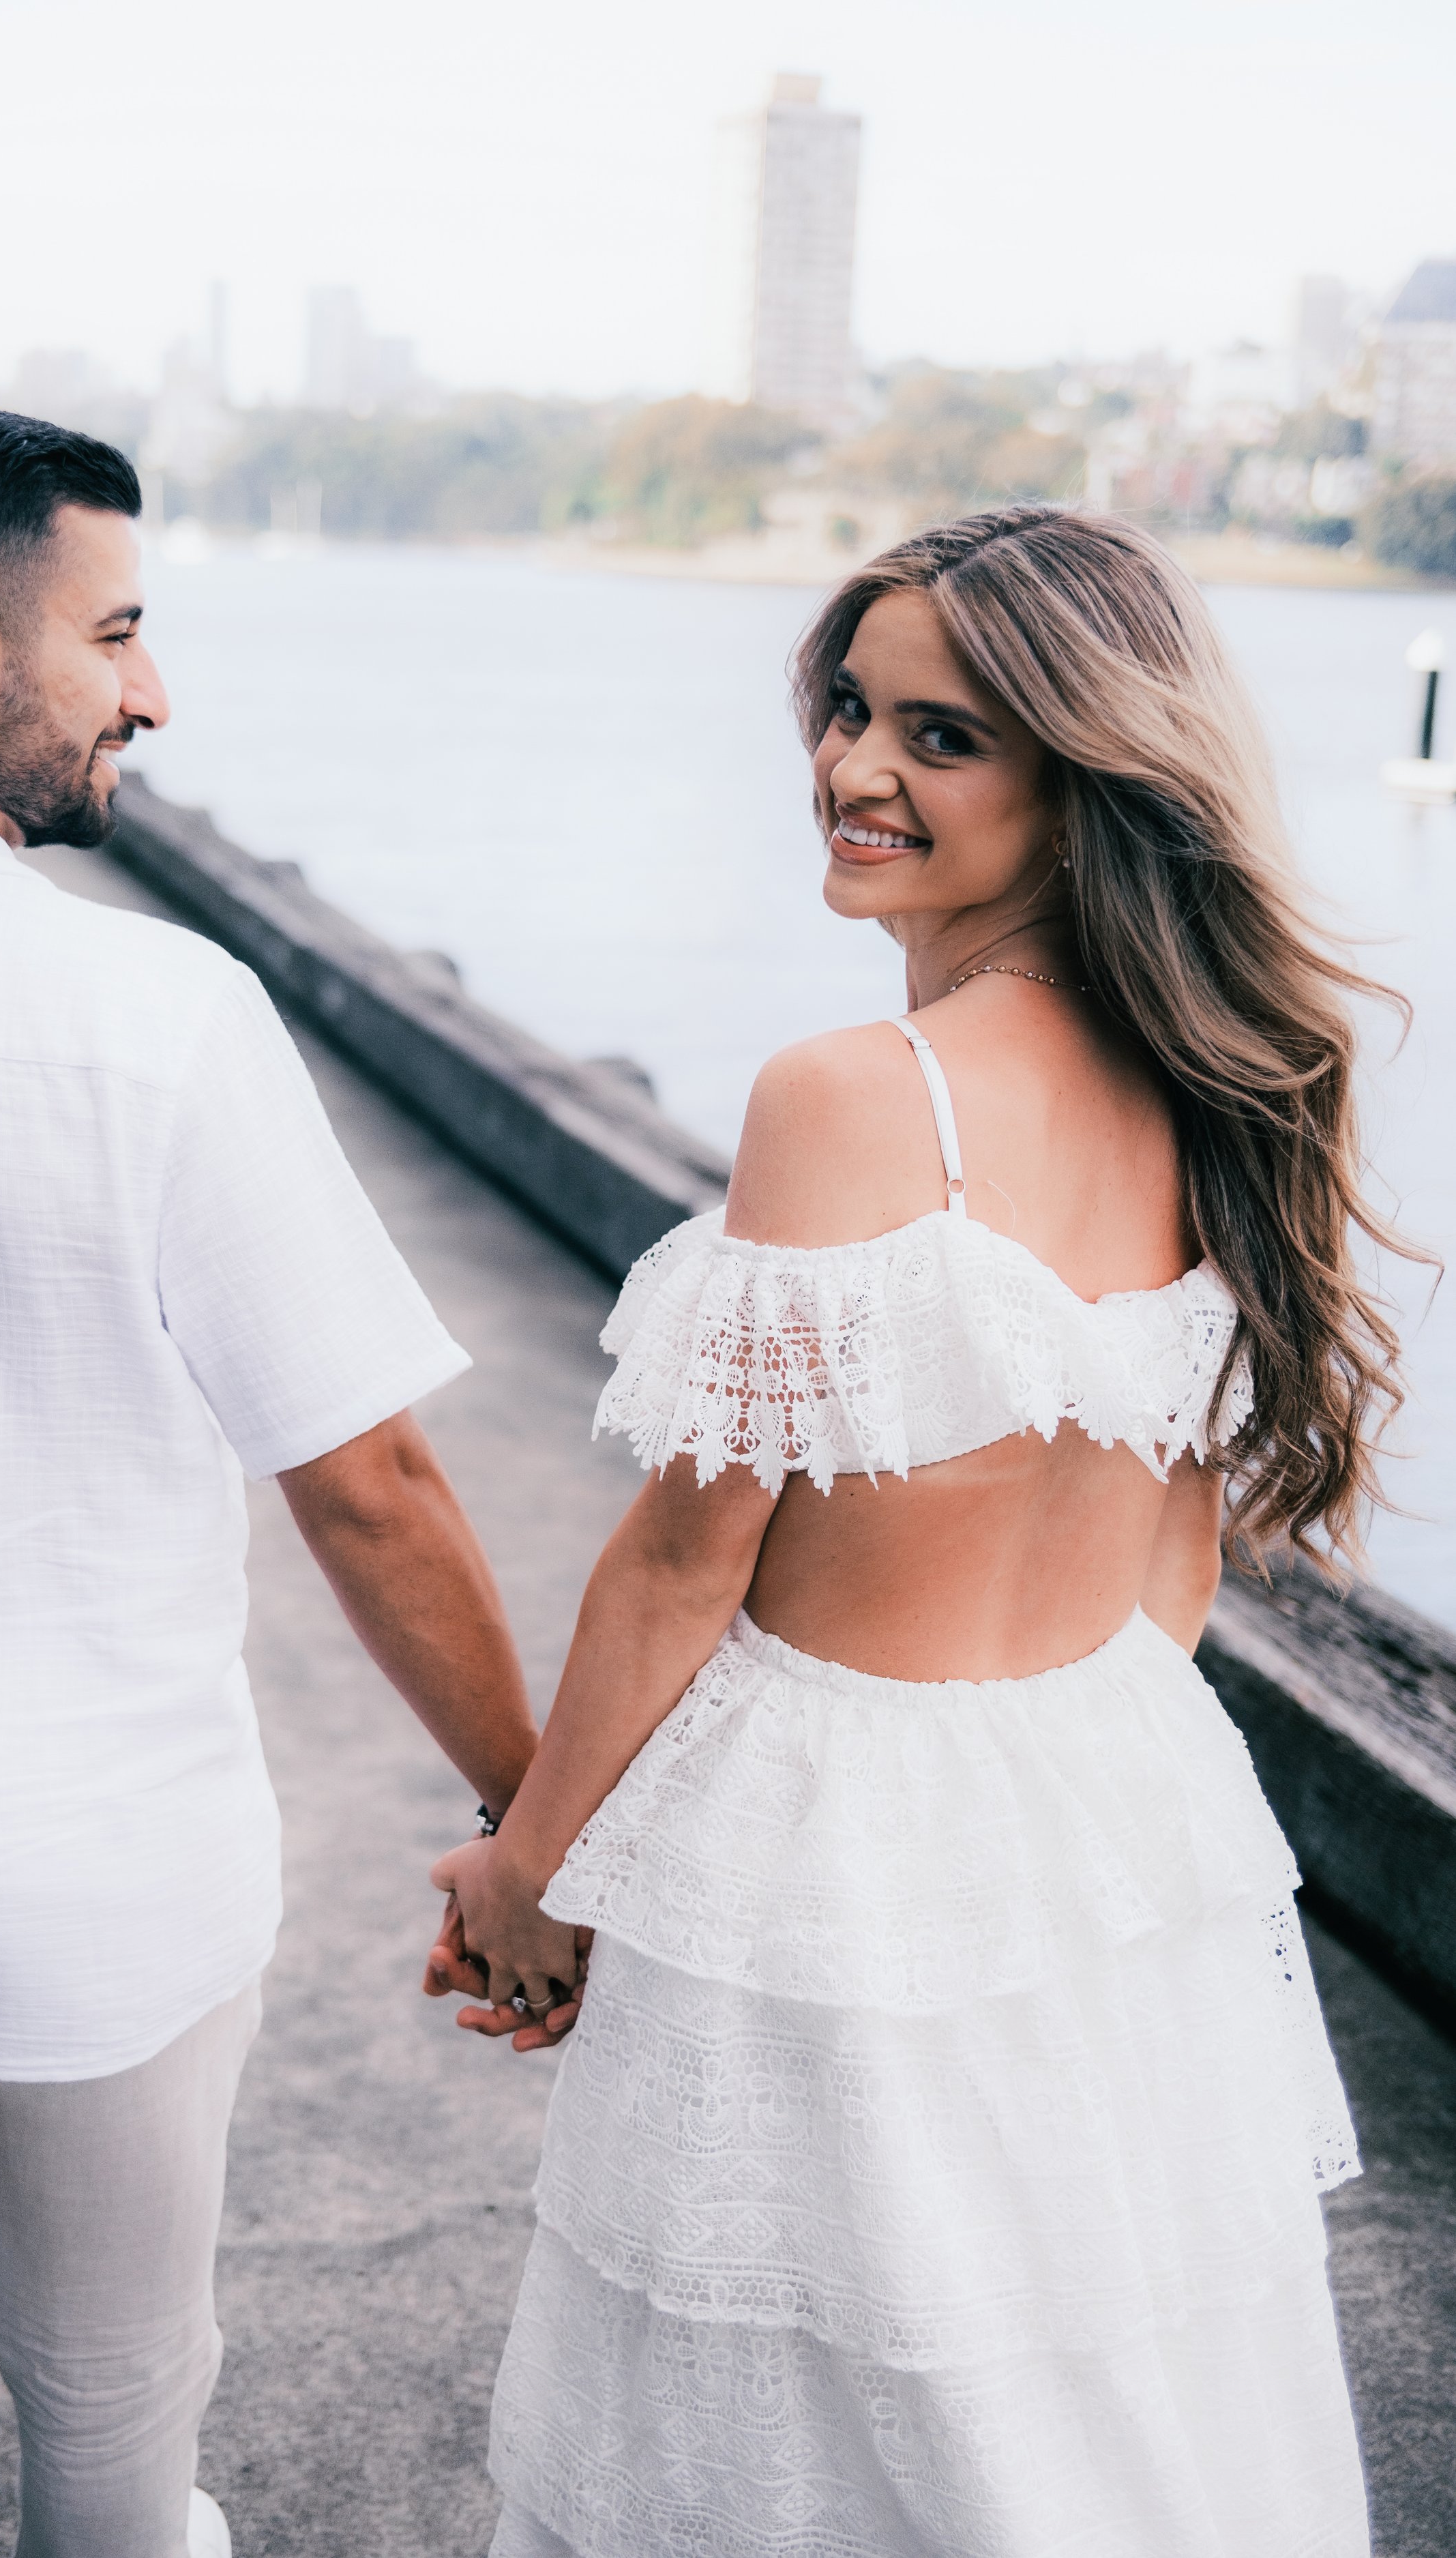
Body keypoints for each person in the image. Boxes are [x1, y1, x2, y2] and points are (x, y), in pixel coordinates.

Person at [431, 505, 1407, 2555]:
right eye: (849, 709)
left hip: (837, 1822)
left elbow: (688, 1560)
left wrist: (531, 1870)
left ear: (1082, 771)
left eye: (940, 737)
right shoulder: (1227, 1079)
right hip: (1107, 1788)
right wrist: (1070, 1798)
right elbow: (1171, 1550)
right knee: (1089, 2361)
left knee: (800, 2403)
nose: (855, 769)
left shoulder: (857, 1089)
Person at [0, 403, 541, 2558]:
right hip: (103, 1856)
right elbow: (368, 1476)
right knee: (112, 2441)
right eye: (114, 633)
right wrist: (530, 1825)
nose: (154, 691)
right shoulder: (156, 1012)